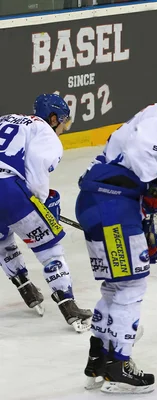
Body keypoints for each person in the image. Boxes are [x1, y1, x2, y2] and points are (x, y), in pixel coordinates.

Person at [76, 70, 157, 394]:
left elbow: (133, 162)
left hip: (99, 204)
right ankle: (118, 365)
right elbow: (141, 154)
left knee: (115, 286)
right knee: (131, 287)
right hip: (112, 206)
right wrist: (151, 186)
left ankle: (99, 358)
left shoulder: (147, 116)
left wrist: (145, 222)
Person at [0, 93, 92, 332]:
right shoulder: (46, 133)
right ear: (53, 118)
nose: (63, 128)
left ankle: (26, 289)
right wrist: (41, 204)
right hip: (7, 189)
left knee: (3, 239)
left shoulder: (7, 119)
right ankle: (68, 305)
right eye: (64, 122)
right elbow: (37, 169)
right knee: (49, 248)